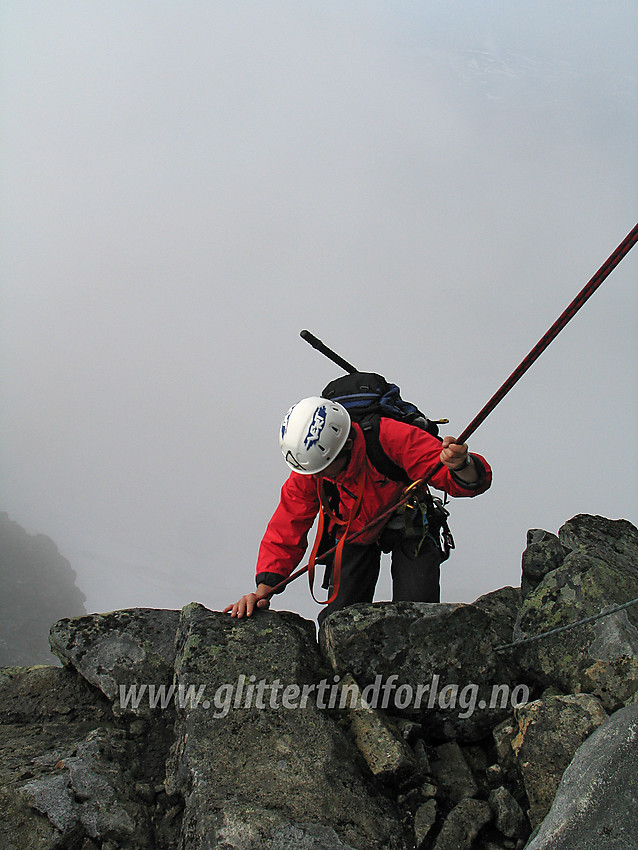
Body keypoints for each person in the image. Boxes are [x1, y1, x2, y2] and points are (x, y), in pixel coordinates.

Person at [225, 396, 492, 624]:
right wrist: (263, 591)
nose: (318, 476)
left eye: (323, 469)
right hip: (353, 529)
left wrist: (461, 464)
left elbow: (461, 478)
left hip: (408, 521)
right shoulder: (312, 465)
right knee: (339, 618)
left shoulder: (392, 437)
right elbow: (287, 525)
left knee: (419, 614)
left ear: (347, 446)